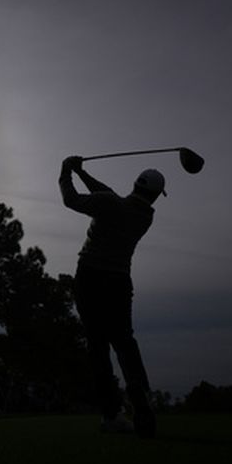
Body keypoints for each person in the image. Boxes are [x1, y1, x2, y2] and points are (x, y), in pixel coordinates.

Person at [59, 155, 162, 438]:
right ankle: (140, 394)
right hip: (118, 281)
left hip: (89, 277)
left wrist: (66, 170)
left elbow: (71, 200)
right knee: (124, 342)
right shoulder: (146, 216)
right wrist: (83, 172)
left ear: (134, 184)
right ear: (155, 196)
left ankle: (112, 414)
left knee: (98, 347)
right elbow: (108, 196)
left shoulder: (109, 203)